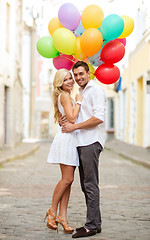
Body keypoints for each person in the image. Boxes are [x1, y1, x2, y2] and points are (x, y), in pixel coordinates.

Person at [61, 61, 106, 238]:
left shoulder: (96, 90)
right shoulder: (80, 92)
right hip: (81, 142)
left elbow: (98, 118)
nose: (78, 78)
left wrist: (75, 126)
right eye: (76, 75)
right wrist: (66, 122)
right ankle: (96, 223)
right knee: (86, 185)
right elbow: (77, 116)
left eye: (81, 74)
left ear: (89, 74)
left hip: (91, 141)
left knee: (90, 185)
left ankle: (90, 226)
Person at [44, 69, 82, 234]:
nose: (70, 81)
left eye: (70, 78)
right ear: (60, 82)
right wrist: (79, 102)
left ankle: (63, 217)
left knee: (68, 181)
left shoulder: (65, 96)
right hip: (67, 140)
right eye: (66, 79)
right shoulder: (65, 96)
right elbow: (72, 119)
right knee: (67, 179)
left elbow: (69, 118)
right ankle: (52, 211)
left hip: (70, 139)